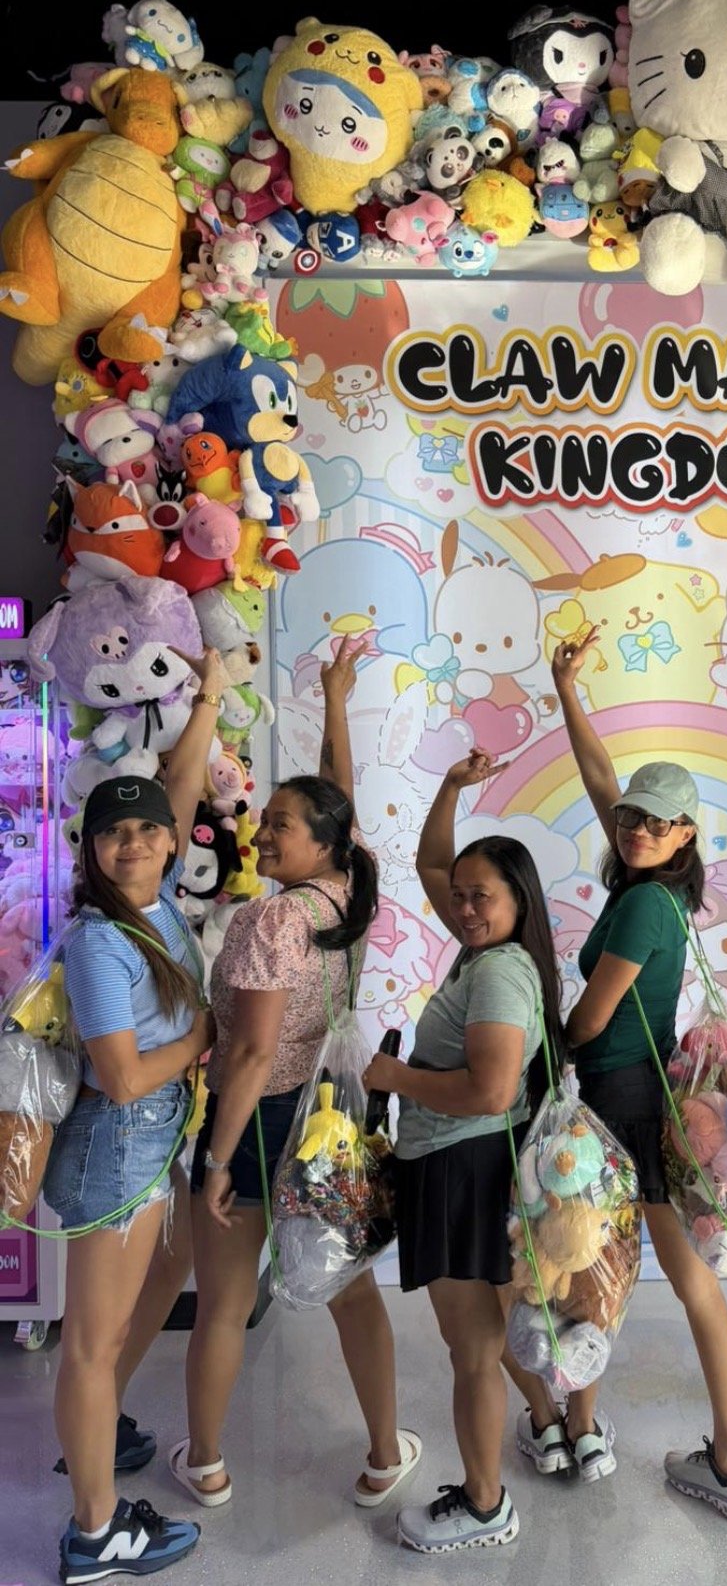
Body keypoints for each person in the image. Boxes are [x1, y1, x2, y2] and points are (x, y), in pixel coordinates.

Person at [505, 627, 727, 1523]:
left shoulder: (645, 903)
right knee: (598, 1263)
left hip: (621, 1099)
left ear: (687, 835)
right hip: (631, 1095)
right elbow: (600, 781)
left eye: (659, 822)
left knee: (624, 1269)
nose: (639, 828)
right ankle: (587, 1429)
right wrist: (566, 690)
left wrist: (539, 1037)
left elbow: (590, 1018)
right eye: (632, 819)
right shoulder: (646, 883)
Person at [177, 637, 418, 1511]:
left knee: (222, 1304)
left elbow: (247, 1052)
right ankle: (385, 1451)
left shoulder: (269, 923)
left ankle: (206, 1464)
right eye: (266, 818)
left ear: (323, 843)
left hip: (258, 1118)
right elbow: (338, 801)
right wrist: (335, 699)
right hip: (325, 1121)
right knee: (351, 1293)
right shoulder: (349, 892)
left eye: (281, 824)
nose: (262, 832)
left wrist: (218, 1159)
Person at [45, 649, 225, 1583]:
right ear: (91, 851)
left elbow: (178, 790)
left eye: (146, 832)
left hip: (155, 1139)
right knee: (91, 1342)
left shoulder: (158, 903)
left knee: (176, 1262)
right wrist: (201, 1035)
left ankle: (98, 1428)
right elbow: (118, 1078)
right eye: (112, 836)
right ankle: (95, 1533)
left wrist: (212, 697)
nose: (132, 845)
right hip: (117, 1143)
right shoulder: (98, 939)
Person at [363, 749, 563, 1555]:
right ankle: (540, 1431)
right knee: (483, 1338)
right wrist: (450, 785)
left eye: (483, 896)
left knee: (473, 1352)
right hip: (460, 1164)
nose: (466, 906)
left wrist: (394, 1077)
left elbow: (489, 1089)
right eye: (462, 896)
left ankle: (484, 1505)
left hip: (460, 1165)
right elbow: (431, 864)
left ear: (519, 902)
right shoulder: (484, 951)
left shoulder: (500, 974)